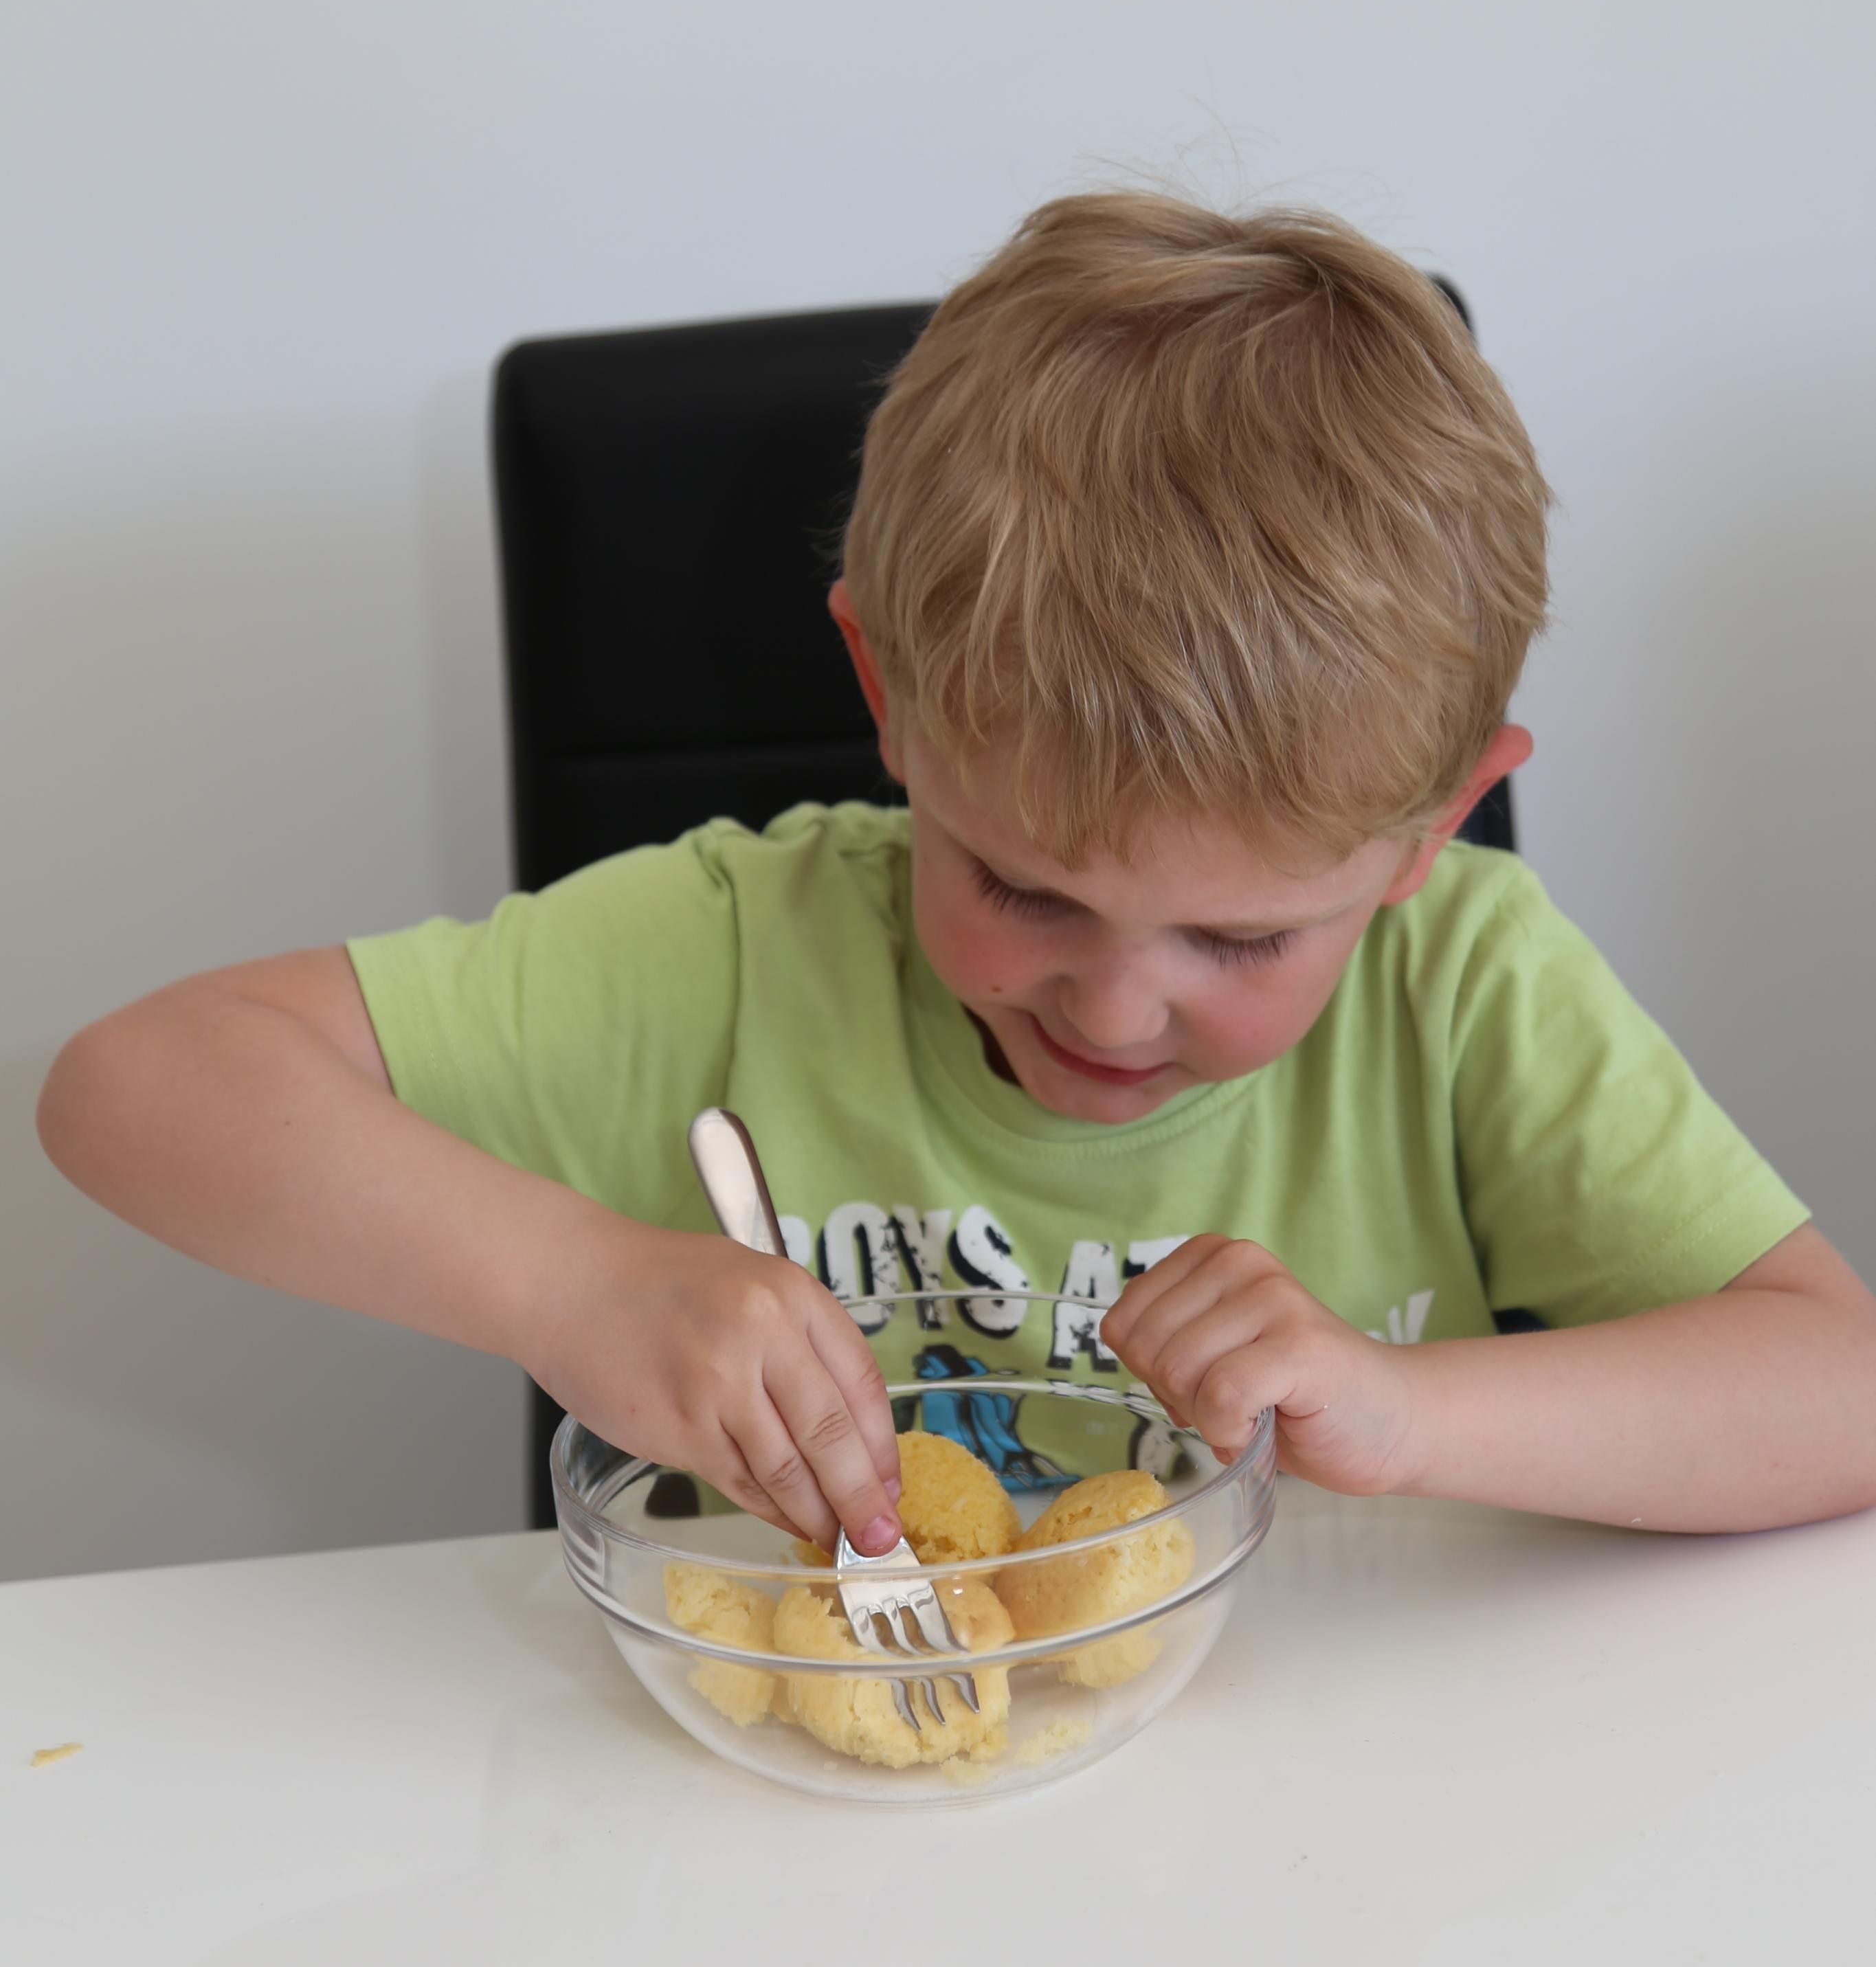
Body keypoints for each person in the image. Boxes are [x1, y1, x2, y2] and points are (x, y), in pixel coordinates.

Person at [38, 194, 1876, 1556]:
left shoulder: (1464, 982)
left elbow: (1840, 1394)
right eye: (1025, 890)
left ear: (1430, 828)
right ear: (887, 699)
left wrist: (1408, 1413)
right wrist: (570, 1285)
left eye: (1240, 935)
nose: (1117, 1008)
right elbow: (133, 1087)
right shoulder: (728, 951)